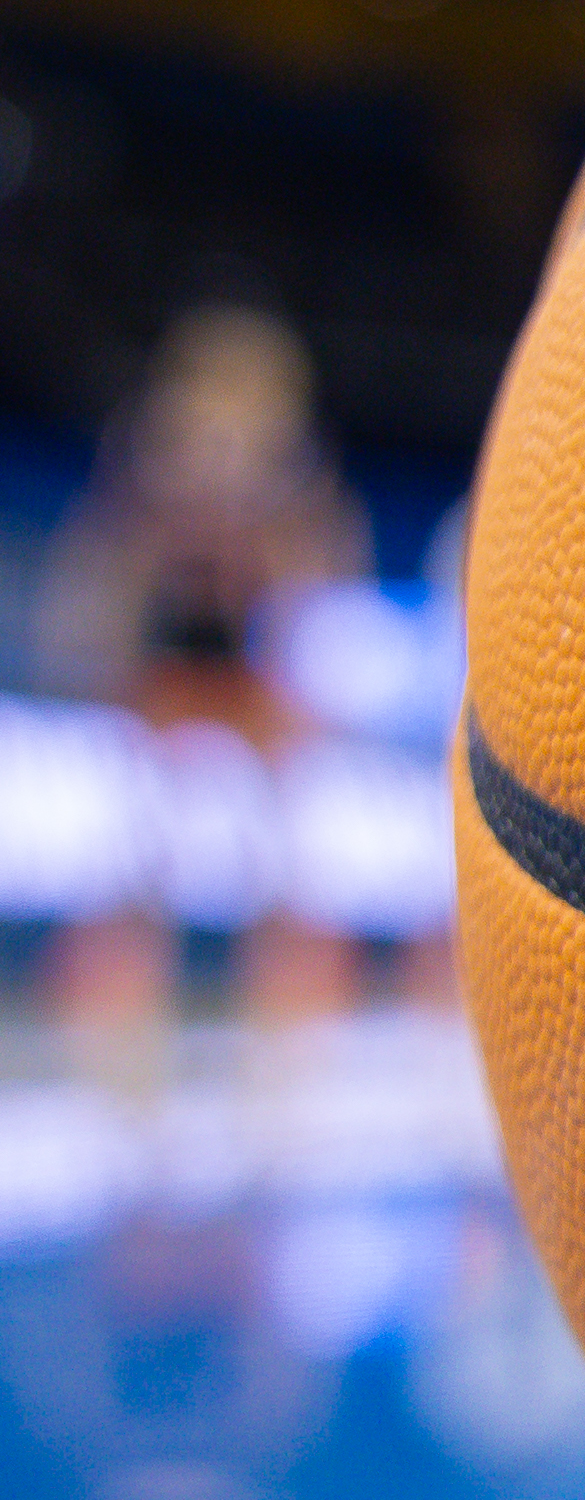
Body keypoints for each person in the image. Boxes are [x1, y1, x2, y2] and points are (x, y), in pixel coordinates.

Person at [31, 307, 369, 1025]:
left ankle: (290, 1022)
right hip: (165, 677)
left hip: (253, 681)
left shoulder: (300, 490)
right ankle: (114, 1020)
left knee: (288, 870)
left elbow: (317, 592)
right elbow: (106, 583)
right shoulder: (146, 473)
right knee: (131, 868)